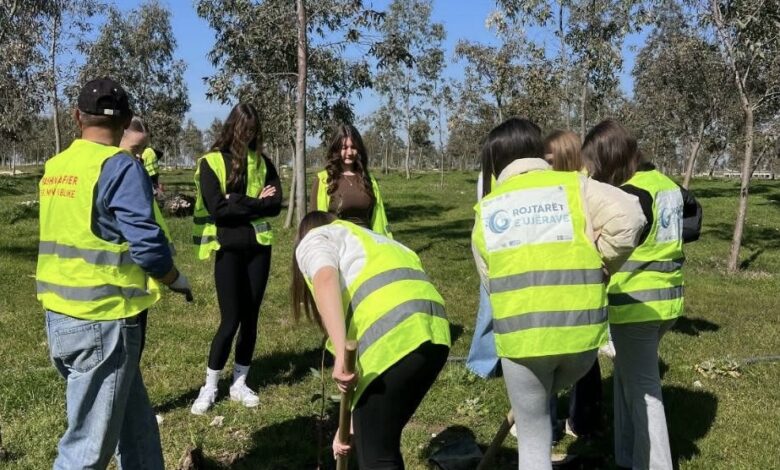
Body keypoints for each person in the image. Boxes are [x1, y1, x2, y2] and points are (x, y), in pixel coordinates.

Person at [471, 117, 646, 469]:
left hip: (524, 343)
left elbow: (489, 279)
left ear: (494, 162)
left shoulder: (488, 209)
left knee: (533, 440)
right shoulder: (576, 186)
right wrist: (603, 263)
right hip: (580, 341)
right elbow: (631, 218)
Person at [36, 77, 193, 469]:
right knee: (86, 450)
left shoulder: (56, 167)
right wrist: (174, 278)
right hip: (104, 321)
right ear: (126, 121)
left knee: (134, 426)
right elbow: (148, 246)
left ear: (76, 117)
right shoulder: (119, 166)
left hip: (61, 317)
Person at [581, 119, 701, 470]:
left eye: (594, 164)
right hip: (666, 302)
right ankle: (628, 457)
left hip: (635, 306)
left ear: (608, 159)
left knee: (645, 392)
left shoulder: (629, 195)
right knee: (627, 380)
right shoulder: (666, 185)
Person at [292, 211, 451, 469]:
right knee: (379, 438)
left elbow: (325, 278)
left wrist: (341, 353)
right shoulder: (373, 240)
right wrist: (351, 426)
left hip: (394, 336)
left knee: (376, 457)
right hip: (434, 333)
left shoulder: (316, 237)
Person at [190, 103, 282, 415]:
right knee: (230, 320)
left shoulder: (264, 162)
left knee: (250, 318)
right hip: (228, 248)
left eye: (254, 131)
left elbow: (275, 205)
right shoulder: (211, 162)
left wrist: (239, 200)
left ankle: (239, 382)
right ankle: (210, 385)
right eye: (244, 130)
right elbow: (217, 208)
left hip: (259, 248)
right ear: (232, 128)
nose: (249, 136)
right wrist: (256, 203)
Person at [544, 129, 603, 441]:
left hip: (571, 282)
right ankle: (566, 422)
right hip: (563, 282)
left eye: (548, 159)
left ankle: (579, 420)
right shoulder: (581, 184)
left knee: (577, 354)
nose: (543, 165)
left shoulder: (582, 188)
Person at [310, 124, 391, 237]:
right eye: (344, 148)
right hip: (336, 243)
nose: (349, 152)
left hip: (367, 244)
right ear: (336, 149)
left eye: (353, 147)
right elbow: (314, 221)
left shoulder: (369, 179)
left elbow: (378, 219)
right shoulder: (323, 180)